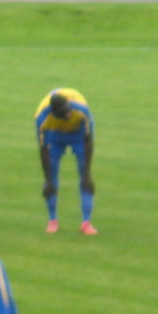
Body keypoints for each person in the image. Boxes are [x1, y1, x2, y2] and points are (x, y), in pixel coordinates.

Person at [35, 88, 97, 235]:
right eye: (64, 112)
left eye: (68, 109)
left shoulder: (81, 111)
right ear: (54, 112)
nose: (68, 113)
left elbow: (88, 142)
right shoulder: (42, 118)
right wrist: (48, 180)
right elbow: (43, 150)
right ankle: (52, 221)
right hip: (55, 134)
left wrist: (87, 174)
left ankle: (86, 223)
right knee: (52, 173)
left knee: (85, 178)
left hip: (78, 133)